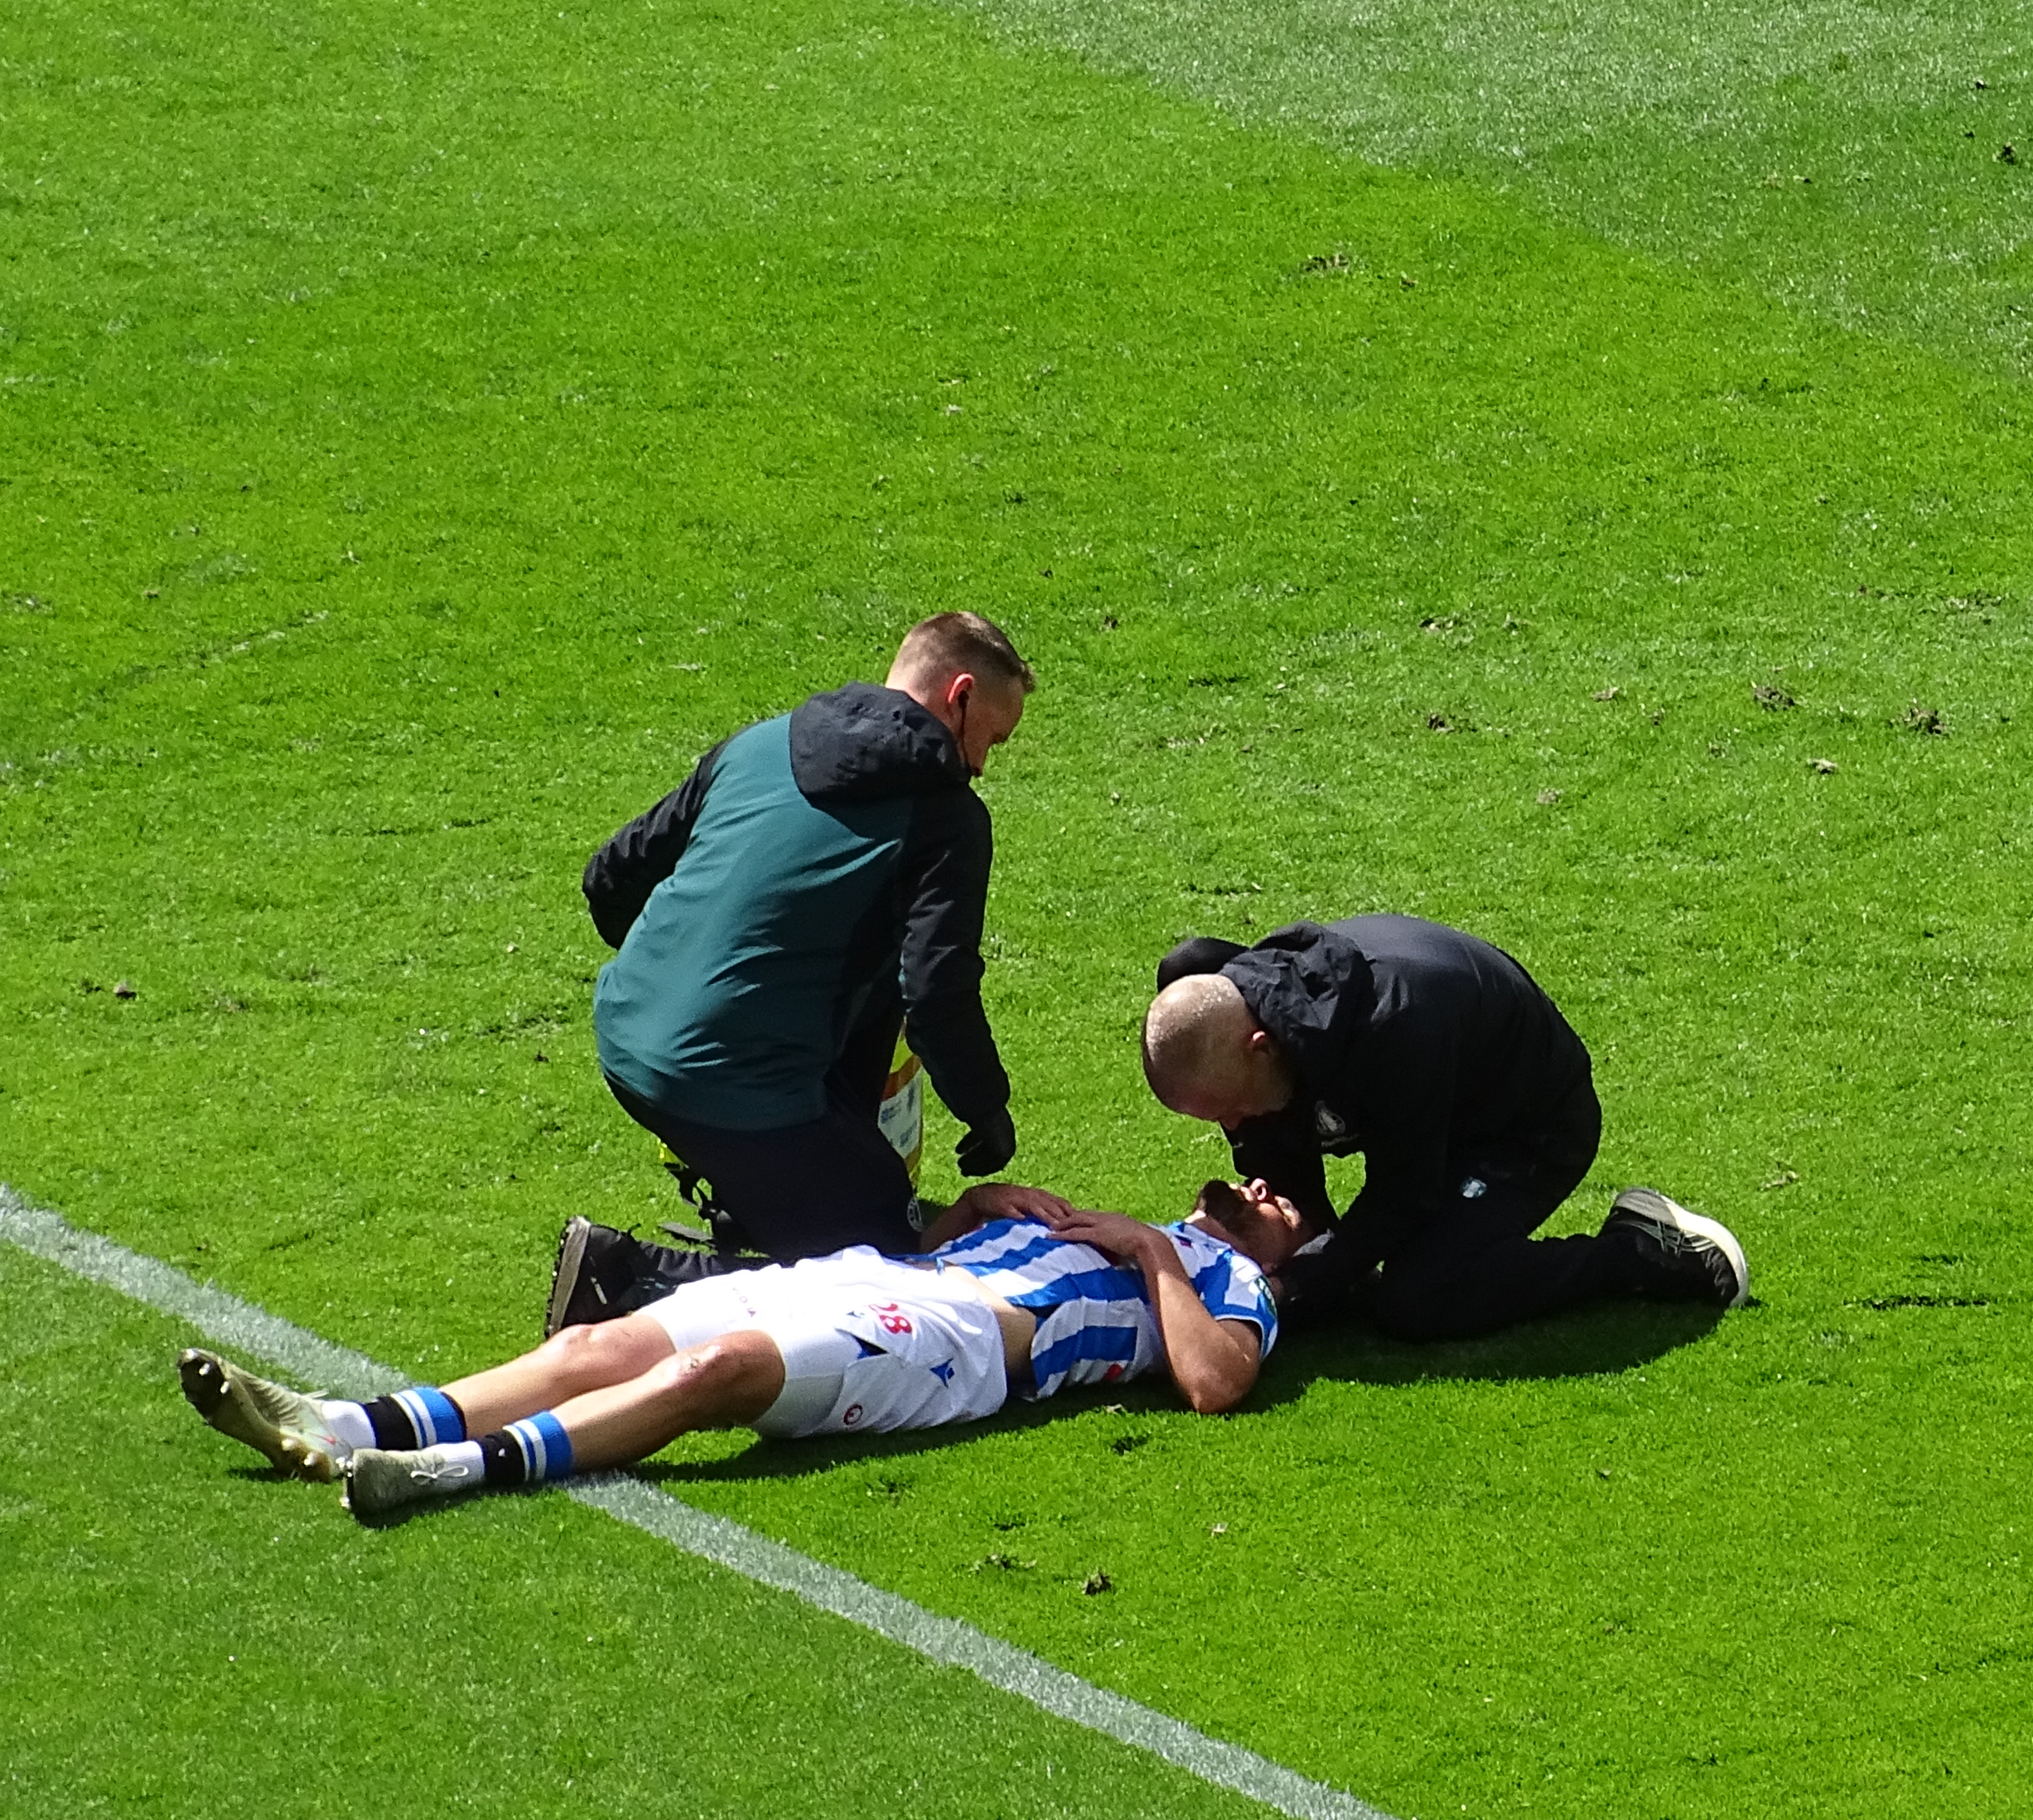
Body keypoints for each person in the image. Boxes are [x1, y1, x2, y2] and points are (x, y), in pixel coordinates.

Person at [181, 1171, 1312, 1521]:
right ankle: (337, 1422)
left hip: (955, 1348)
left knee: (716, 1379)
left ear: (1290, 1248)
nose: (1258, 1186)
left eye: (1288, 1200)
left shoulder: (1235, 1285)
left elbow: (1214, 1385)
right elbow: (926, 1243)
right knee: (602, 1344)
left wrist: (1149, 1255)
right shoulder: (1139, 1230)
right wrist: (970, 1213)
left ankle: (444, 1470)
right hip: (893, 1283)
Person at [547, 611, 1037, 1330]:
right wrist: (986, 1108)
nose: (983, 766)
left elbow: (610, 878)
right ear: (956, 695)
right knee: (881, 1274)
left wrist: (675, 978)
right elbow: (934, 989)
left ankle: (761, 1191)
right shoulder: (945, 815)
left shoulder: (759, 743)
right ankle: (624, 1281)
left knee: (860, 995)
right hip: (727, 1077)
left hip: (625, 1026)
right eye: (990, 739)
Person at [1142, 914, 1746, 1339]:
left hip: (1525, 1131)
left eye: (1229, 1109)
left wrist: (1297, 1284)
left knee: (1418, 1298)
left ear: (1259, 1046)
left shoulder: (1398, 1029)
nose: (1231, 1129)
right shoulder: (1222, 993)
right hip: (1409, 1100)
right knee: (1317, 1258)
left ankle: (1642, 1252)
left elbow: (1404, 1196)